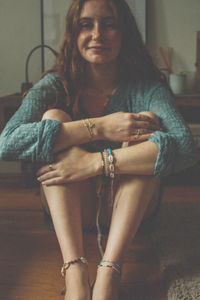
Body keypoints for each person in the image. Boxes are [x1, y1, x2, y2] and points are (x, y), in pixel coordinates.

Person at [0, 0, 198, 299]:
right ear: (73, 33)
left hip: (129, 208)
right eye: (86, 24)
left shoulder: (147, 87)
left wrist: (95, 162)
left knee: (147, 123)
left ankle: (109, 272)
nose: (97, 34)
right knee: (54, 119)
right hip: (72, 209)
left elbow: (185, 147)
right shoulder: (55, 83)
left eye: (109, 23)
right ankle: (75, 270)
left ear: (124, 32)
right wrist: (100, 127)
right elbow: (6, 142)